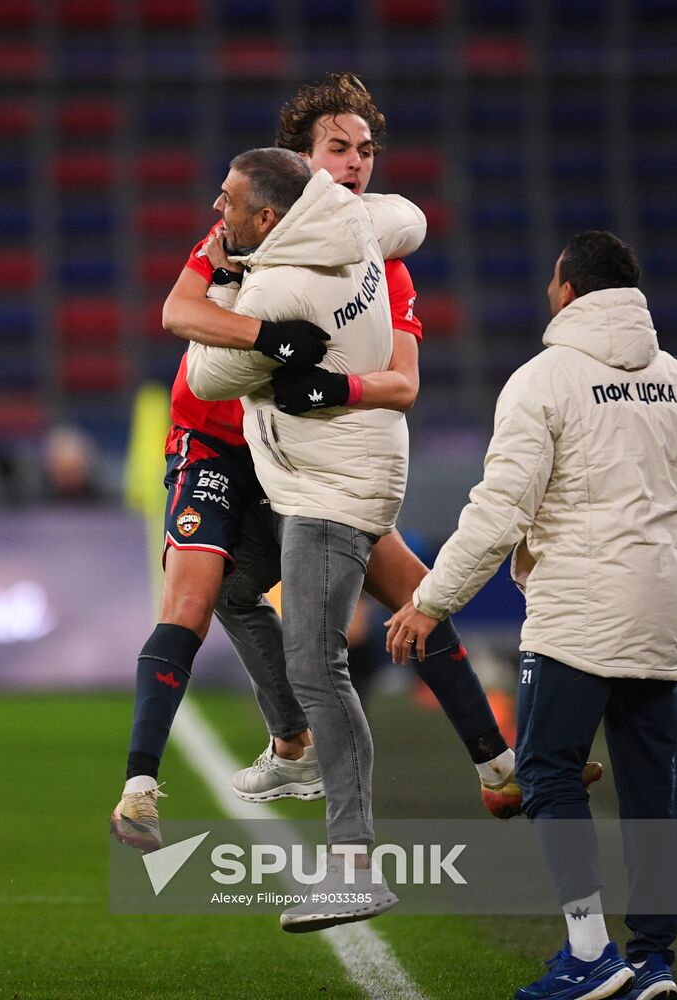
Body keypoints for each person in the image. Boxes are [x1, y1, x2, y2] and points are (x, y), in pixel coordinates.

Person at [110, 72, 523, 863]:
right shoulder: (241, 230)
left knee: (413, 591)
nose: (358, 163)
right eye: (339, 147)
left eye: (367, 150)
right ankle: (157, 782)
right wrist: (269, 341)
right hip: (221, 443)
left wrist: (337, 384)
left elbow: (402, 381)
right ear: (298, 163)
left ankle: (496, 765)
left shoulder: (380, 259)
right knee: (201, 591)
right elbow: (177, 313)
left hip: (306, 460)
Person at [386, 231, 677, 1000]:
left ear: (567, 290)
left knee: (547, 771)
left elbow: (498, 513)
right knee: (653, 787)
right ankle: (652, 958)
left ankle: (589, 954)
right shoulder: (675, 380)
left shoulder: (542, 381)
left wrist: (430, 599)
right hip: (662, 612)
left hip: (579, 613)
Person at [186, 144, 426, 929]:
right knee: (228, 582)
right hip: (325, 472)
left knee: (318, 663)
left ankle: (353, 863)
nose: (213, 213)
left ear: (265, 217)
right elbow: (411, 220)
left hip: (333, 487)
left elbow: (203, 378)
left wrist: (229, 286)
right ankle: (293, 741)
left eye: (226, 201)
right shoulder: (356, 220)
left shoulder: (282, 285)